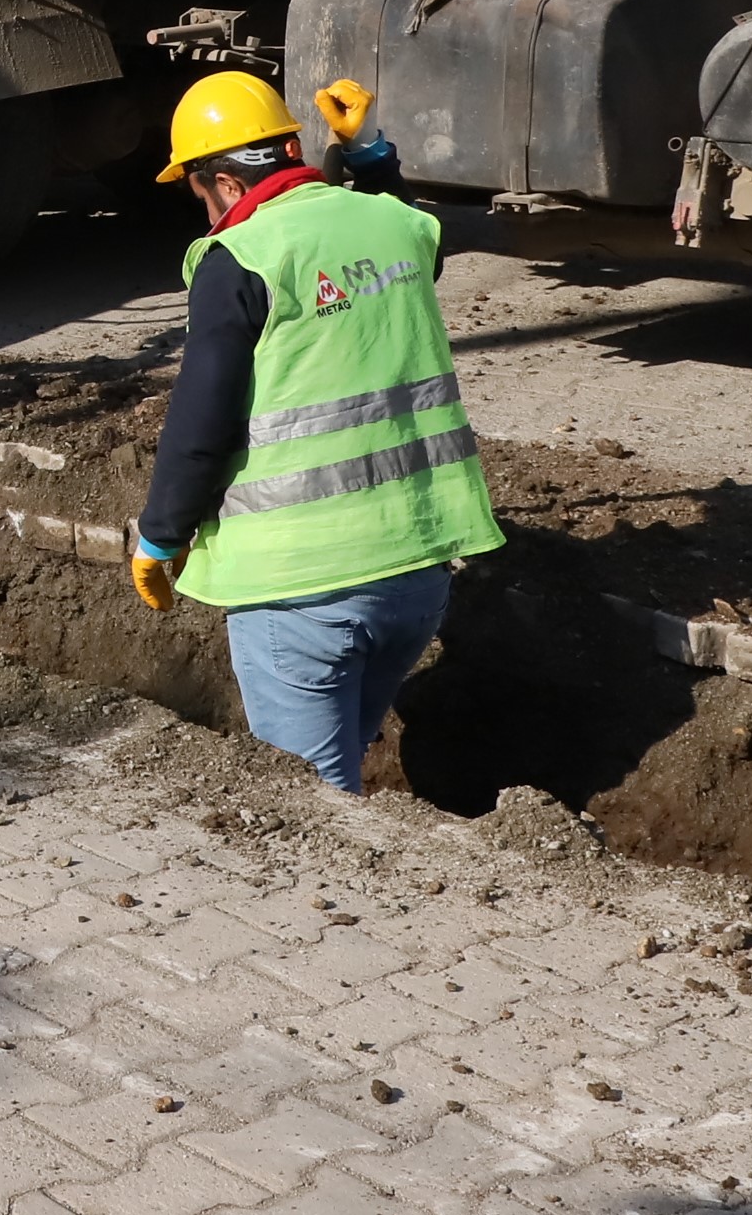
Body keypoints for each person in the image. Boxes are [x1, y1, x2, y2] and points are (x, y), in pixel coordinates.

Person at [125, 70, 499, 793]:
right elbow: (416, 236)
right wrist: (370, 155)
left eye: (196, 192)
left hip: (300, 589)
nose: (200, 209)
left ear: (226, 185)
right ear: (291, 148)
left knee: (310, 809)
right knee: (342, 773)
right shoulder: (390, 221)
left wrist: (160, 537)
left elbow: (201, 420)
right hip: (417, 574)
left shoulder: (239, 259)